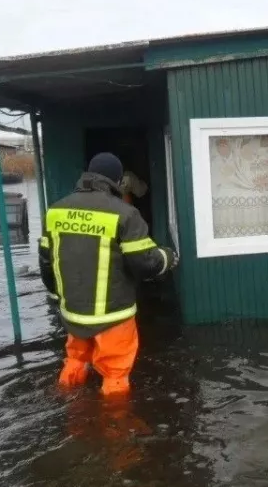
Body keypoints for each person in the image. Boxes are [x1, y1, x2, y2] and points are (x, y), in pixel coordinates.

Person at [37, 152, 179, 396]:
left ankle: (70, 411)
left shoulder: (55, 211)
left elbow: (46, 262)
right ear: (117, 179)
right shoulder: (124, 213)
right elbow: (145, 263)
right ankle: (114, 427)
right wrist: (169, 256)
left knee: (75, 362)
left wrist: (55, 295)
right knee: (115, 376)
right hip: (113, 316)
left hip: (73, 314)